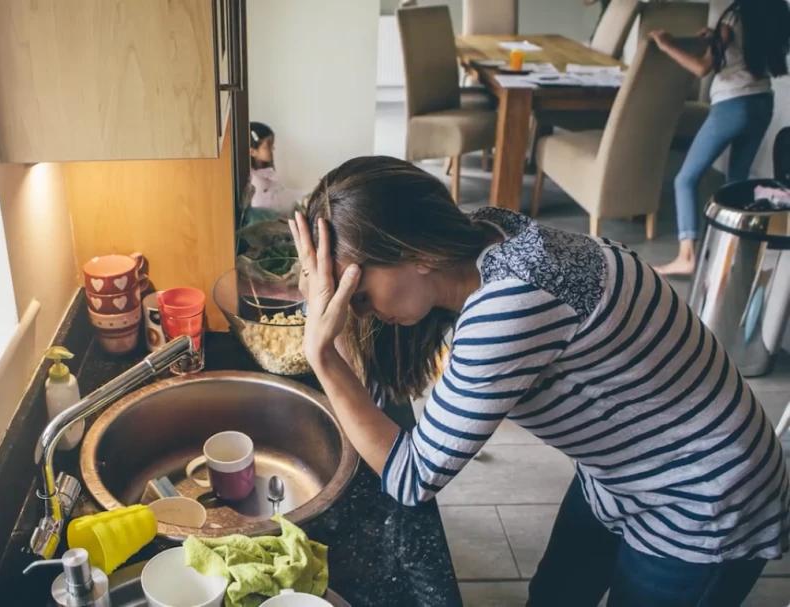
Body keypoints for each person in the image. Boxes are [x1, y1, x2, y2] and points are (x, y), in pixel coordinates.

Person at [289, 156, 788, 606]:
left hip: (703, 494)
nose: (356, 310)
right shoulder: (486, 234)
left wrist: (322, 352)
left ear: (418, 252)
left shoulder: (509, 306)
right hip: (619, 473)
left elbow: (410, 477)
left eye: (356, 293)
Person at [649, 0, 790, 275]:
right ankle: (735, 251)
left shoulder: (735, 17)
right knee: (737, 180)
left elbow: (702, 68)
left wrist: (666, 43)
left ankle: (686, 256)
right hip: (762, 101)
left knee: (685, 179)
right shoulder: (770, 11)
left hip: (732, 105)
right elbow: (747, 47)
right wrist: (716, 38)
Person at [248, 121, 295, 216]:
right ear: (252, 152)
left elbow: (282, 193)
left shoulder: (267, 172)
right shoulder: (254, 179)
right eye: (268, 146)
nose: (272, 149)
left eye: (272, 145)